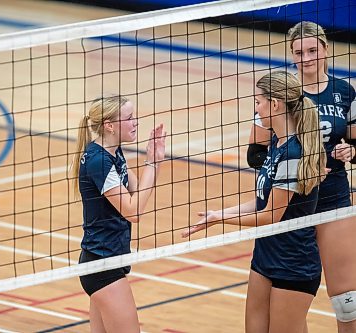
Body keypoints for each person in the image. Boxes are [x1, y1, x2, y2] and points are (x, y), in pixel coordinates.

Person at [184, 71, 327, 333]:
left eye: (258, 102)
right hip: (265, 256)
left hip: (293, 264)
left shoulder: (293, 153)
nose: (256, 108)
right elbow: (262, 202)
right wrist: (218, 213)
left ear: (275, 104)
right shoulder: (277, 146)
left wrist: (223, 219)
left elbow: (271, 215)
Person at [247, 21, 356, 332]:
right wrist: (294, 167)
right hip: (291, 203)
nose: (306, 58)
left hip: (333, 198)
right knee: (288, 294)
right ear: (292, 55)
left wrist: (349, 152)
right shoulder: (281, 93)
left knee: (347, 302)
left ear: (325, 49)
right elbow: (254, 154)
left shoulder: (344, 92)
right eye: (299, 52)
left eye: (312, 50)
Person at [70, 95, 165, 332]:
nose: (136, 122)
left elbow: (137, 190)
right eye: (129, 118)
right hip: (102, 264)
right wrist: (152, 165)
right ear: (109, 126)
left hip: (108, 258)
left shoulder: (113, 153)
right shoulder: (98, 161)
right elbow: (133, 211)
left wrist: (154, 161)